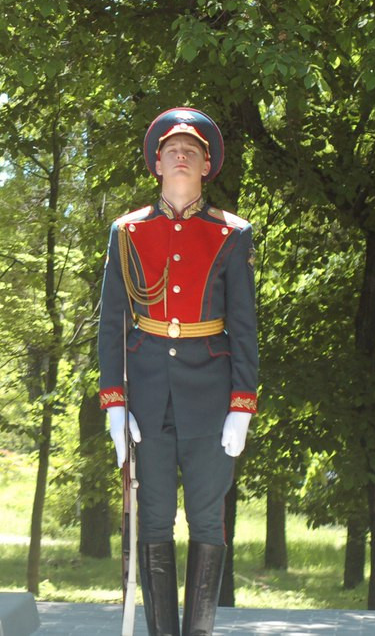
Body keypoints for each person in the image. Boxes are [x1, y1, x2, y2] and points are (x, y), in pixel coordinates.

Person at [97, 107, 258, 636]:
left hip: (211, 397)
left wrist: (242, 405)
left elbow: (243, 326)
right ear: (157, 164)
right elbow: (113, 323)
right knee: (154, 519)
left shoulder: (232, 233)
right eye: (172, 150)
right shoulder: (127, 231)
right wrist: (114, 403)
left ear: (207, 165)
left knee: (208, 520)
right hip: (147, 397)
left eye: (192, 150)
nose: (181, 156)